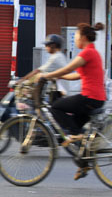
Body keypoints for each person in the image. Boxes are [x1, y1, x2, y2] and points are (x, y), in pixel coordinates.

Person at [38, 22, 106, 180]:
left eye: (76, 36)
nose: (74, 39)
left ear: (83, 37)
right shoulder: (91, 52)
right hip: (96, 99)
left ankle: (77, 136)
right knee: (77, 130)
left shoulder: (87, 53)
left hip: (90, 98)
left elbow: (69, 69)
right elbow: (75, 75)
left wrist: (46, 75)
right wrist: (58, 76)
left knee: (56, 107)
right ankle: (84, 164)